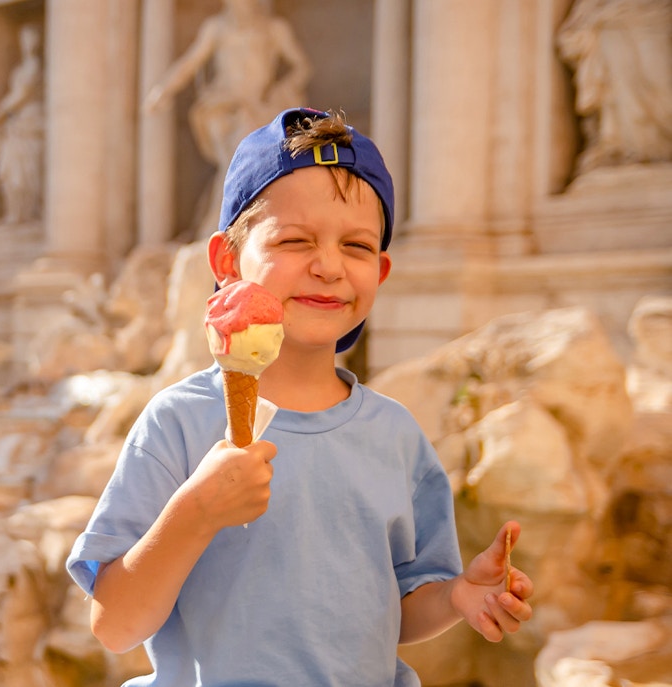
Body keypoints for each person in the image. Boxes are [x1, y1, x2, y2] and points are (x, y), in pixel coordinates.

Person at [66, 107, 534, 685]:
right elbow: (114, 625)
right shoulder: (179, 423)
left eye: (357, 247)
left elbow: (397, 610)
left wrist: (460, 596)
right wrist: (195, 513)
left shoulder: (396, 436)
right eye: (295, 240)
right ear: (227, 262)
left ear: (381, 272)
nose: (330, 266)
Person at [144, 0, 310, 235]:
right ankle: (223, 228)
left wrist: (280, 90)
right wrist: (164, 89)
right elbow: (191, 62)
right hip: (222, 106)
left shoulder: (274, 28)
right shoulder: (217, 27)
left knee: (241, 162)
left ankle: (221, 226)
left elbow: (301, 67)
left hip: (258, 107)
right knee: (236, 161)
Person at [556, 0, 672, 175]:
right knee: (619, 95)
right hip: (612, 27)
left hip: (655, 21)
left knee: (658, 84)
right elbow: (576, 27)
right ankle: (627, 148)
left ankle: (661, 144)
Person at [0, 23, 46, 228]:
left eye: (32, 38)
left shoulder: (35, 66)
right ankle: (15, 212)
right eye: (24, 38)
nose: (28, 43)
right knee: (9, 171)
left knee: (27, 171)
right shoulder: (21, 68)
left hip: (30, 122)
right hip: (16, 124)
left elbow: (22, 94)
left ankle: (27, 212)